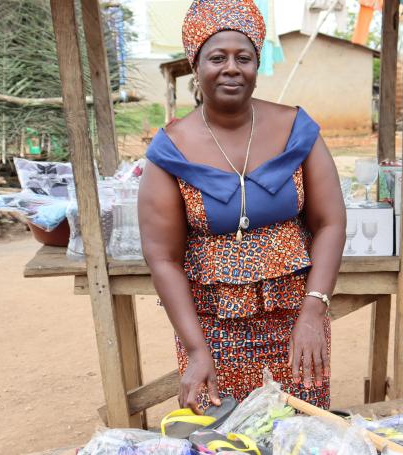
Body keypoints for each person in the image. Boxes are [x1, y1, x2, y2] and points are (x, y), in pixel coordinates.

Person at [138, 0, 346, 413]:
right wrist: (197, 350)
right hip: (212, 329)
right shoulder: (171, 150)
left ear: (256, 65)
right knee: (226, 434)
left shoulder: (296, 130)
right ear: (195, 67)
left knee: (301, 429)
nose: (231, 67)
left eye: (243, 57)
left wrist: (313, 310)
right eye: (217, 57)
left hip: (296, 319)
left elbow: (331, 222)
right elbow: (162, 257)